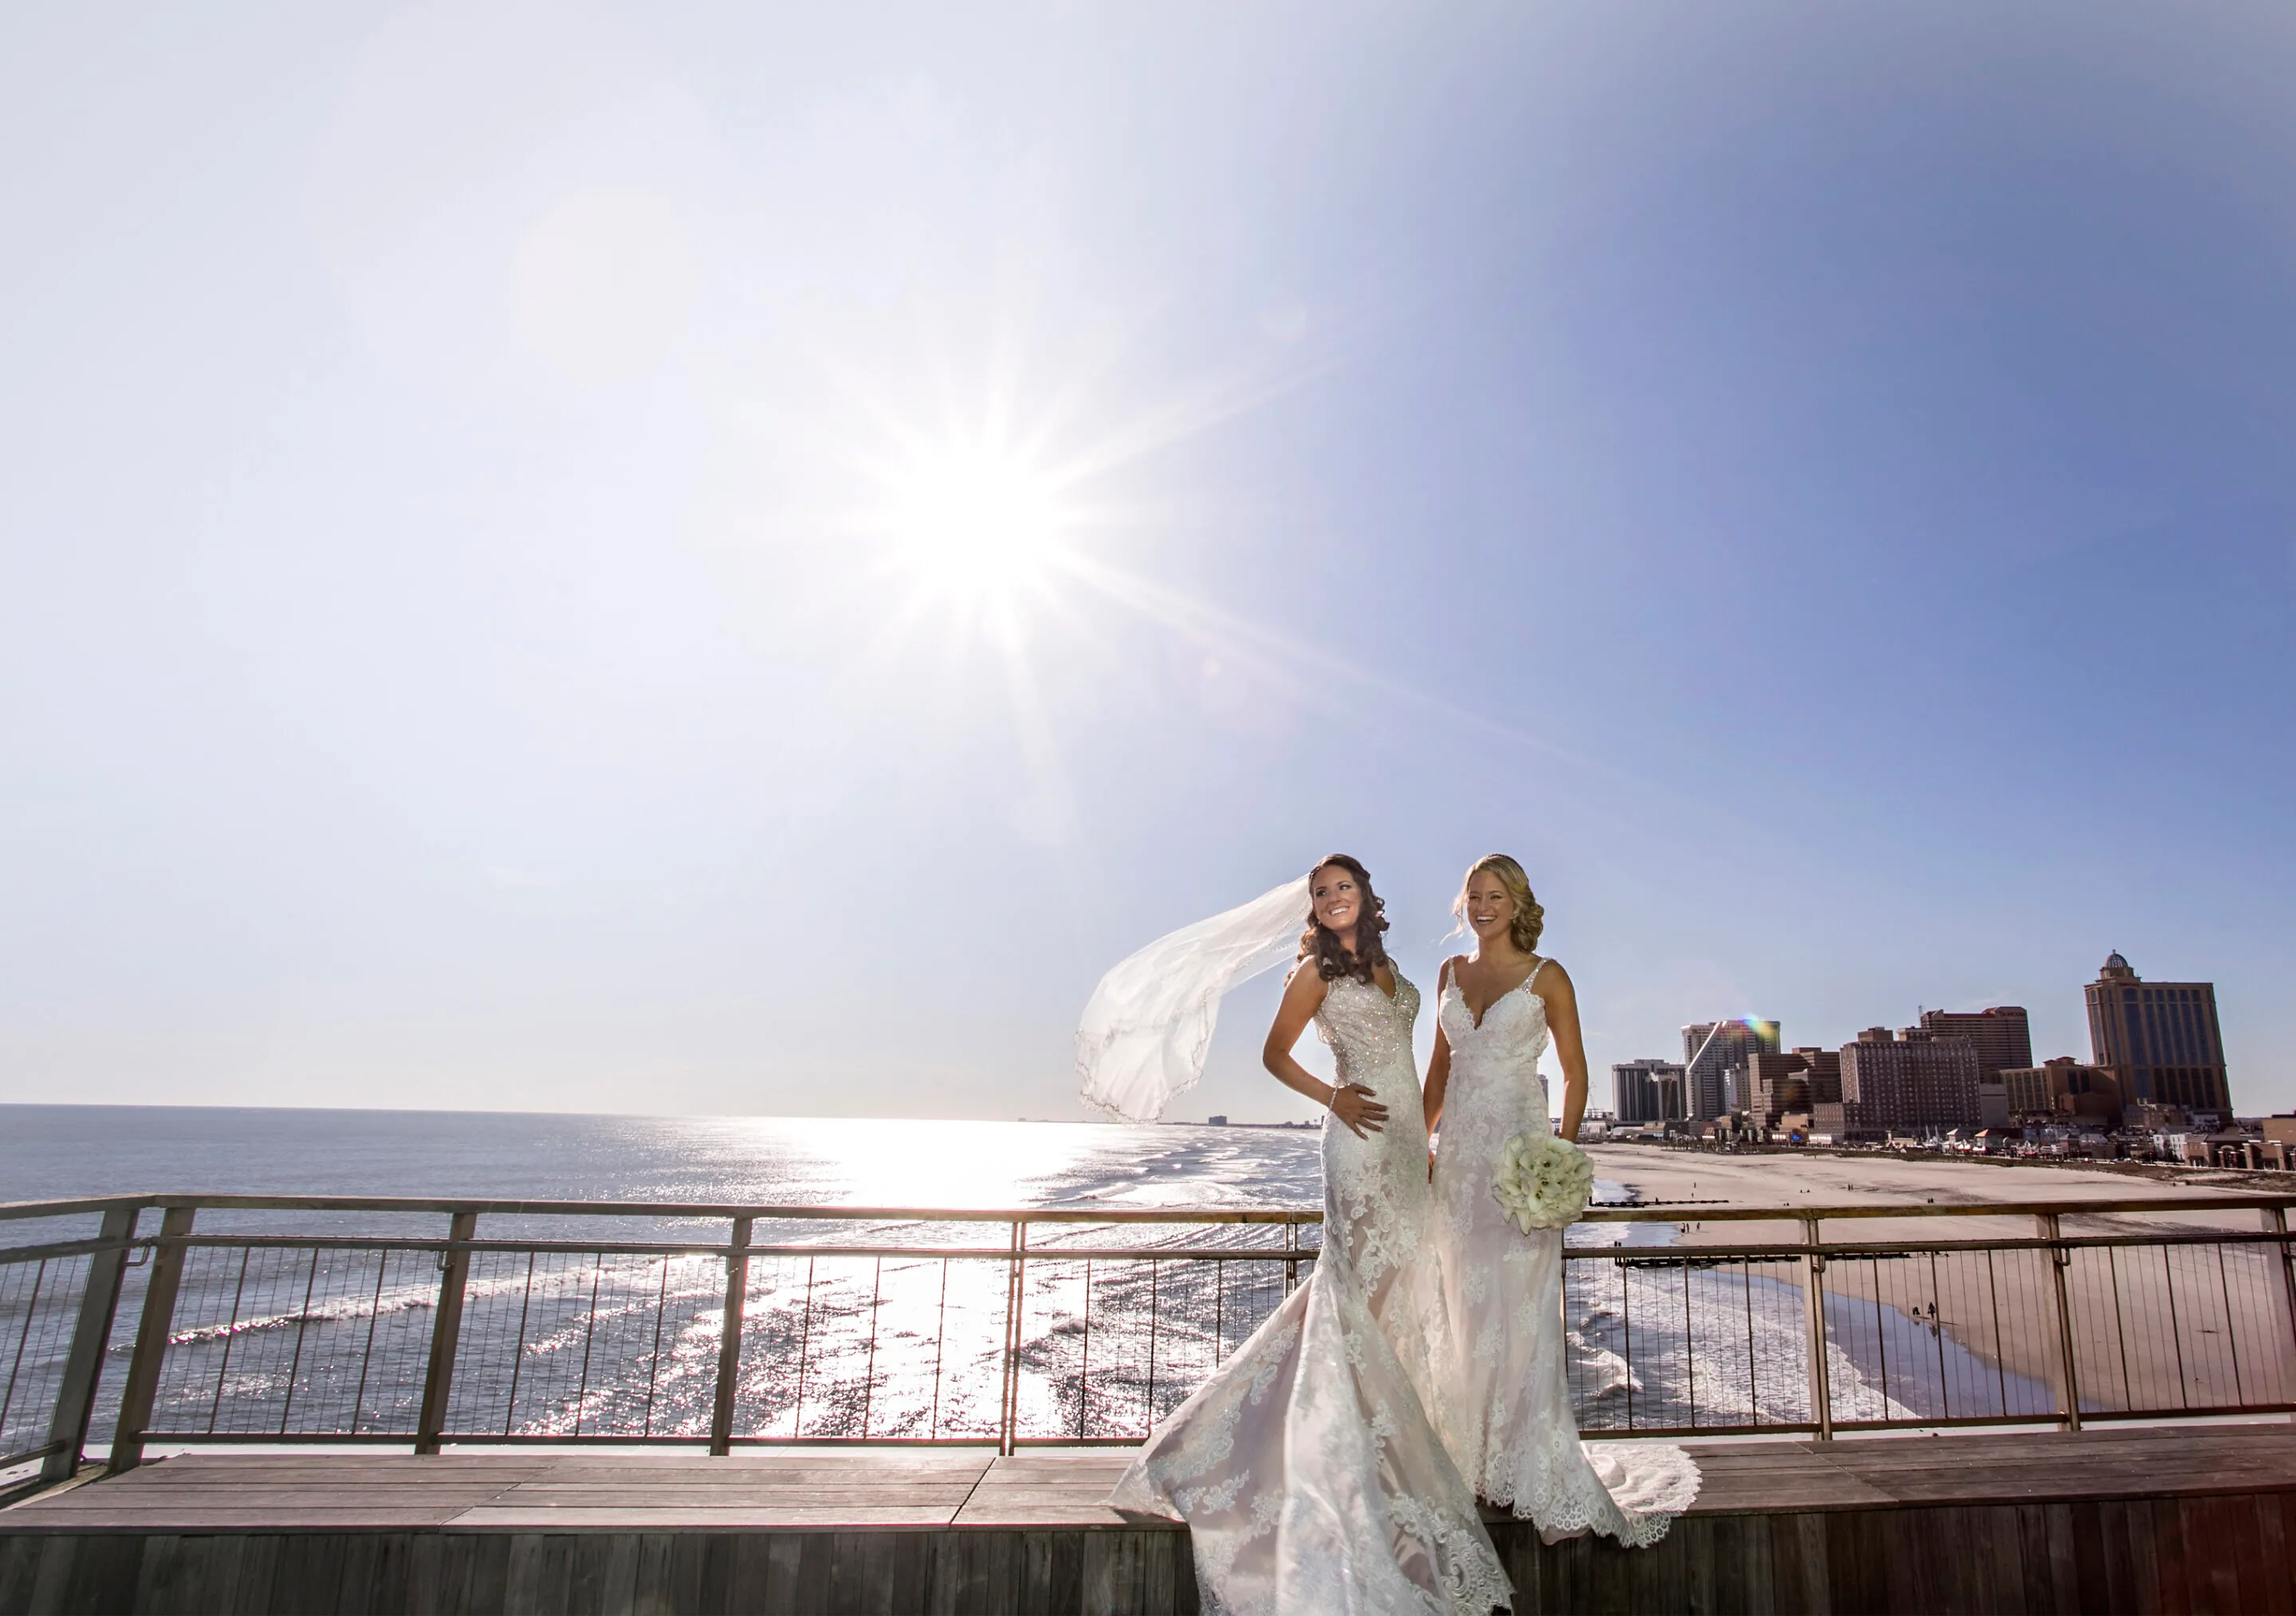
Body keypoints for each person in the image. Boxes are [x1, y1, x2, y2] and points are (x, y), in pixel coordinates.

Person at [1080, 856, 1509, 1615]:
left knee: (1389, 1299)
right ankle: (1304, 1457)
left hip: (1405, 1147)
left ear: (1366, 895)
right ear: (1313, 906)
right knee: (1354, 1294)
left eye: (1344, 886)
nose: (1333, 897)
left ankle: (1370, 1446)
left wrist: (1426, 1137)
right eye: (1321, 891)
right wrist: (1333, 1097)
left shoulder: (1391, 969)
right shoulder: (1314, 971)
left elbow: (1414, 1063)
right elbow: (1274, 1053)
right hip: (1357, 1142)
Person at [1423, 854, 1700, 1546]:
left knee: (1522, 1313)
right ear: (1463, 904)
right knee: (1461, 1306)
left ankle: (1527, 1466)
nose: (1483, 906)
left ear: (1517, 903)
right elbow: (1438, 1071)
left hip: (1520, 1163)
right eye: (1474, 895)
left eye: (1496, 895)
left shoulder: (1548, 976)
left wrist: (1560, 1156)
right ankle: (1471, 1460)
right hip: (1457, 1166)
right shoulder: (1448, 973)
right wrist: (1416, 1144)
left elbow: (1575, 1074)